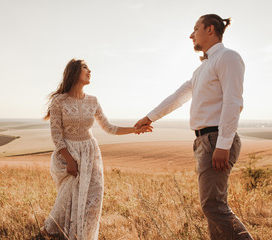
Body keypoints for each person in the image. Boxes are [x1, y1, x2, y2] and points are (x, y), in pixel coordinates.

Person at [135, 14, 253, 239]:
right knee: (213, 211)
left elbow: (233, 101)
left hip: (216, 139)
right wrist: (150, 117)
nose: (191, 35)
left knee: (212, 206)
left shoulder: (227, 57)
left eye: (195, 29)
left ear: (210, 30)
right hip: (203, 141)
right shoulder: (201, 69)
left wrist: (223, 144)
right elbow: (178, 96)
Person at [41, 59, 152, 240]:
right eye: (85, 67)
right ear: (74, 71)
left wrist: (135, 129)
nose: (90, 70)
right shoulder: (58, 101)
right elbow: (56, 135)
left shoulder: (93, 101)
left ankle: (84, 236)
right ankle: (53, 233)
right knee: (68, 199)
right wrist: (69, 160)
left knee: (94, 198)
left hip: (90, 153)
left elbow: (109, 128)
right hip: (68, 154)